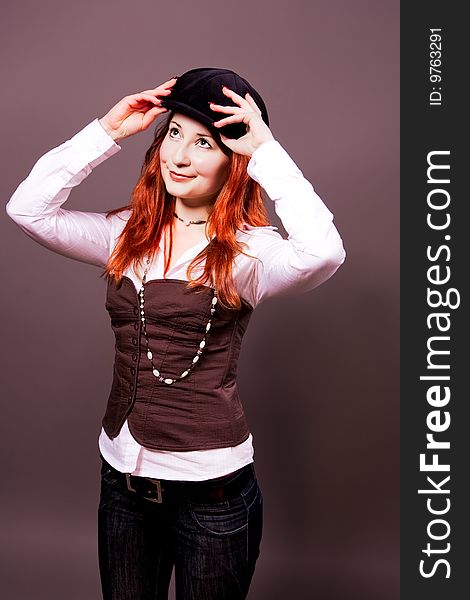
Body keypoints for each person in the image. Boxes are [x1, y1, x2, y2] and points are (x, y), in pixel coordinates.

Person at [6, 67, 346, 600]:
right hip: (122, 482)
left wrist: (267, 151)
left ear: (234, 160)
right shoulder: (124, 235)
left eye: (204, 143)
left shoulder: (249, 253)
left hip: (212, 497)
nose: (179, 156)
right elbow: (26, 209)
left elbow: (324, 253)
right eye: (173, 134)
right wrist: (107, 132)